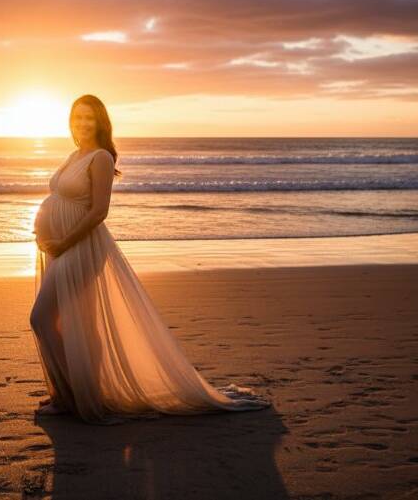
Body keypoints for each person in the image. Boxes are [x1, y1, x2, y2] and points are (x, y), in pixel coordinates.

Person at [29, 94, 271, 424]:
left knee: (41, 318)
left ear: (101, 122)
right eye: (77, 117)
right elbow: (59, 198)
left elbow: (99, 211)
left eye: (89, 117)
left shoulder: (100, 157)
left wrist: (63, 242)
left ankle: (76, 395)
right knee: (72, 321)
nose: (82, 123)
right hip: (59, 247)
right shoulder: (75, 155)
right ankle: (70, 393)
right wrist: (45, 233)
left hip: (80, 248)